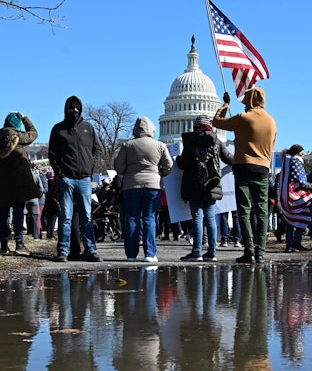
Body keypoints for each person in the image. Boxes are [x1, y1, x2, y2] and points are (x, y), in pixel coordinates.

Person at [212, 88, 277, 263]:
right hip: (263, 169)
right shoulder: (271, 121)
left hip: (242, 168)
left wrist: (225, 105)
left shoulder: (243, 118)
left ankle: (249, 251)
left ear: (249, 100)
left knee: (244, 211)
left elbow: (216, 122)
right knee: (262, 212)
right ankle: (260, 252)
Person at [48, 95, 102, 262]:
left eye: (77, 108)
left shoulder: (88, 128)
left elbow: (97, 150)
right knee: (66, 216)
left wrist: (90, 167)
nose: (75, 111)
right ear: (67, 109)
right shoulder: (58, 129)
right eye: (72, 108)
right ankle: (62, 251)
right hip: (67, 179)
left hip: (84, 178)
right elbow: (52, 154)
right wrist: (60, 173)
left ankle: (90, 250)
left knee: (87, 216)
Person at [114, 116, 173, 262]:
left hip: (131, 185)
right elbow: (169, 165)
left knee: (132, 218)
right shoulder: (160, 145)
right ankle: (150, 254)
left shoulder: (127, 145)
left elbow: (118, 167)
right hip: (153, 185)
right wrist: (160, 174)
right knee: (149, 218)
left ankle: (131, 255)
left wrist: (130, 171)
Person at [177, 115, 233, 262]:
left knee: (197, 217)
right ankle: (212, 252)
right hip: (211, 184)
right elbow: (229, 159)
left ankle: (196, 252)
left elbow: (182, 164)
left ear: (195, 127)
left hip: (194, 184)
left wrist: (178, 158)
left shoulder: (191, 143)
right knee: (210, 218)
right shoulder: (217, 141)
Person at [0, 111, 41, 256]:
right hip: (18, 181)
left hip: (2, 181)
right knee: (18, 213)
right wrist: (25, 118)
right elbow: (34, 133)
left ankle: (3, 244)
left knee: (2, 213)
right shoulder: (18, 136)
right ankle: (19, 244)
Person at [278, 144, 312, 252]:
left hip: (287, 195)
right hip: (296, 195)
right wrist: (309, 186)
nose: (303, 153)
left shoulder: (287, 162)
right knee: (302, 215)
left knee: (289, 219)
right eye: (302, 151)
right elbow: (301, 181)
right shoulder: (296, 162)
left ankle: (289, 244)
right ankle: (297, 242)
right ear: (298, 152)